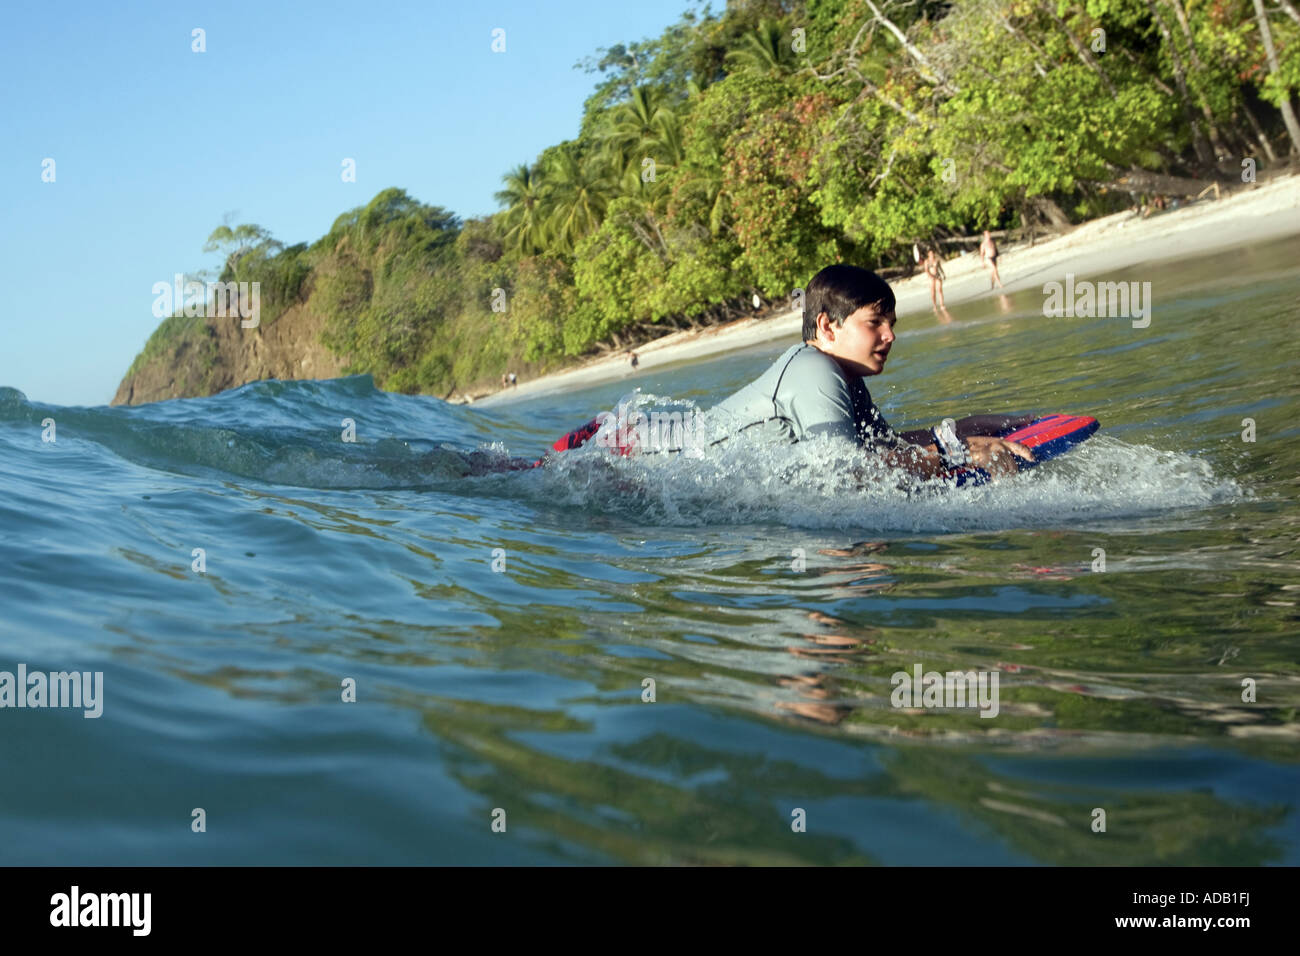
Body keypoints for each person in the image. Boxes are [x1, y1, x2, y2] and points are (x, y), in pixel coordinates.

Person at [700, 264, 1031, 480]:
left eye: (891, 324)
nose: (890, 336)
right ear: (827, 326)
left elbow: (885, 449)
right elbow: (845, 472)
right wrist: (959, 453)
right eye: (875, 323)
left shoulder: (847, 377)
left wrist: (964, 429)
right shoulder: (813, 370)